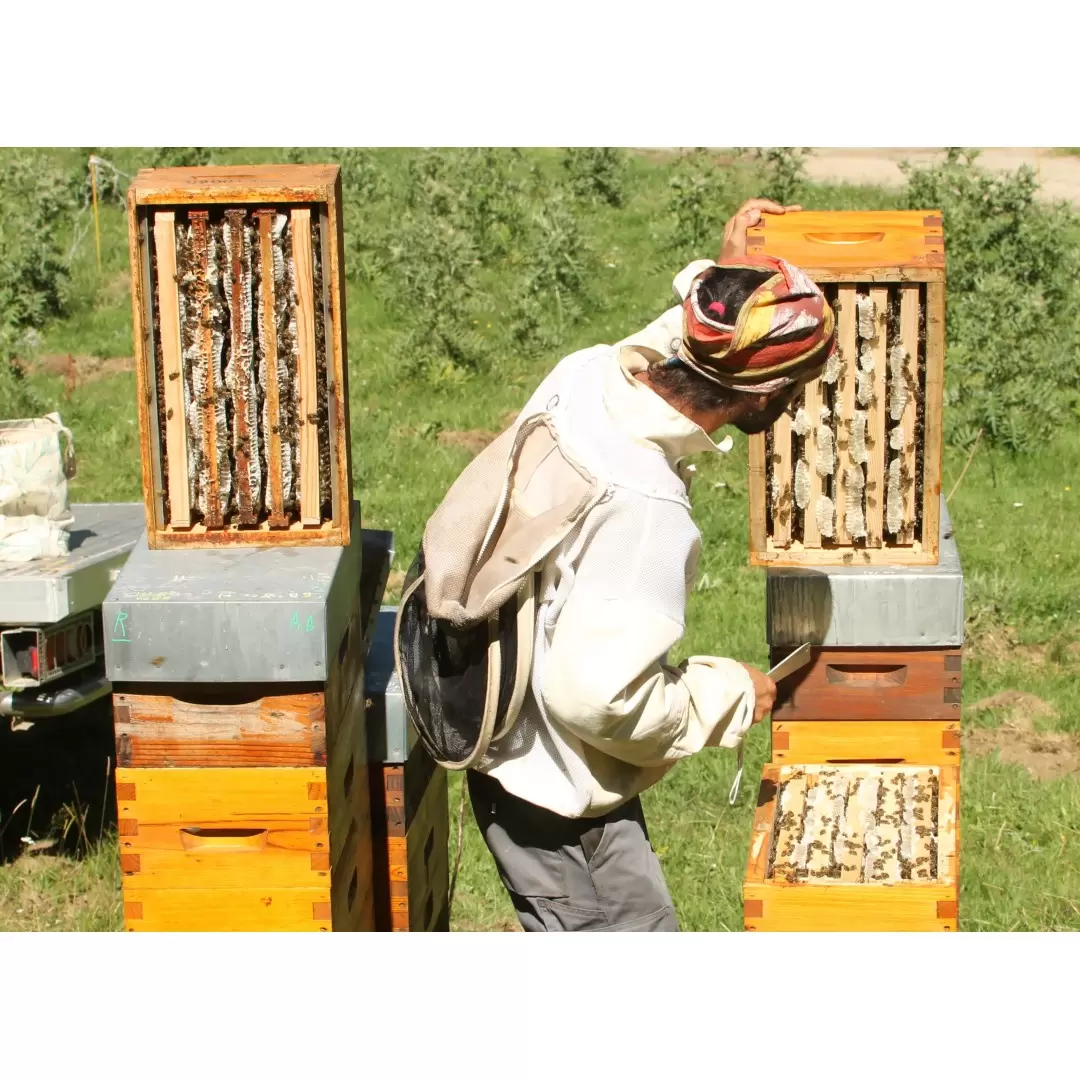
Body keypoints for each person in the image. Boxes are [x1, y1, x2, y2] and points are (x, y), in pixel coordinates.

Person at [419, 198, 838, 931]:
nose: (796, 402)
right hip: (552, 799)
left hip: (517, 751)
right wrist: (729, 695)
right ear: (766, 393)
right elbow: (596, 699)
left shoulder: (582, 377)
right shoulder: (644, 508)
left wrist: (729, 280)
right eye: (795, 387)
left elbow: (669, 345)